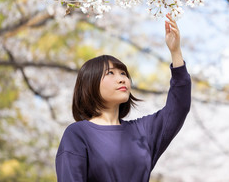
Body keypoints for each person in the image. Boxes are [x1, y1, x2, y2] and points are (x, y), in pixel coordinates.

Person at [55, 13, 191, 182]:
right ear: (90, 84)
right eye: (110, 73)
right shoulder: (78, 134)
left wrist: (175, 52)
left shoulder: (142, 131)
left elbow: (179, 108)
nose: (122, 79)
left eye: (123, 73)